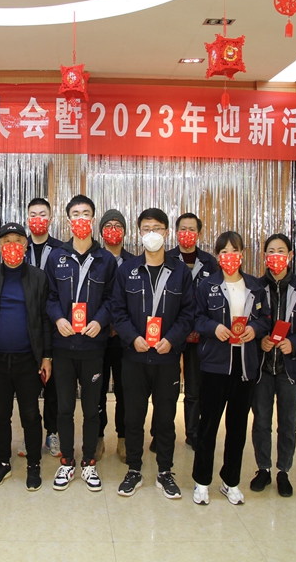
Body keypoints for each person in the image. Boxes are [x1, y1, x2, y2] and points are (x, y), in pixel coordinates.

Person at [112, 208, 196, 499]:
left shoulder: (180, 272)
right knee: (133, 417)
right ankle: (134, 470)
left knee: (165, 419)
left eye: (157, 228)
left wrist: (172, 340)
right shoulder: (127, 270)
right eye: (146, 228)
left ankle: (165, 472)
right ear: (139, 233)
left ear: (166, 232)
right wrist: (132, 337)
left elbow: (188, 313)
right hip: (134, 357)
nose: (152, 234)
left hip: (166, 358)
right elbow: (117, 311)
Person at [192, 231, 270, 506]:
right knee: (208, 425)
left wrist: (254, 329)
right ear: (217, 256)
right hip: (215, 365)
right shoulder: (207, 285)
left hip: (245, 366)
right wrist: (214, 328)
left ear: (242, 254)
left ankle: (230, 481)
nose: (229, 256)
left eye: (234, 251)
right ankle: (202, 481)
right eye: (224, 252)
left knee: (237, 427)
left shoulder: (255, 287)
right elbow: (197, 319)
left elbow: (265, 319)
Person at [45, 194, 117, 492]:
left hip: (92, 346)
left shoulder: (106, 260)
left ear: (93, 219)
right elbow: (49, 297)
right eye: (75, 214)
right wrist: (58, 318)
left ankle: (88, 461)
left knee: (91, 409)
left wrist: (100, 320)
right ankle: (66, 461)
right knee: (64, 409)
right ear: (68, 220)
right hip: (63, 346)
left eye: (86, 213)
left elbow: (113, 299)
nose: (81, 219)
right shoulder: (56, 257)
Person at [0, 223, 53, 490]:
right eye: (7, 240)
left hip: (28, 360)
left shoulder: (38, 277)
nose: (12, 245)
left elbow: (44, 319)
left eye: (18, 240)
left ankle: (34, 464)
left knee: (30, 414)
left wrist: (47, 356)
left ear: (26, 245)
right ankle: (2, 463)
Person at [249, 234, 296, 497]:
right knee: (261, 422)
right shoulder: (255, 288)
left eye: (281, 251)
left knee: (288, 423)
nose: (276, 256)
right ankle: (264, 468)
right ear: (265, 257)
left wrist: (295, 343)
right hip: (262, 368)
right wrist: (259, 339)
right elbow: (246, 323)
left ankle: (283, 471)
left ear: (290, 255)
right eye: (271, 251)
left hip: (291, 368)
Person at [166, 212, 218, 450]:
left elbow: (213, 300)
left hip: (199, 336)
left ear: (199, 233)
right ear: (176, 232)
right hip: (172, 333)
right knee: (166, 387)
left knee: (194, 389)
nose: (187, 233)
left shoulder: (209, 262)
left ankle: (193, 433)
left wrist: (199, 326)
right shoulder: (167, 258)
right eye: (183, 229)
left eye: (192, 229)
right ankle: (161, 433)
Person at [23, 197, 64, 458]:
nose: (38, 219)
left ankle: (52, 432)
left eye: (42, 214)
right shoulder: (20, 247)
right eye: (33, 214)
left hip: (53, 323)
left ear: (50, 218)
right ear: (27, 218)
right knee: (28, 385)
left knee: (53, 384)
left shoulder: (61, 249)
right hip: (26, 324)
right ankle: (30, 435)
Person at [97, 209, 133, 463]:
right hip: (98, 335)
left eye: (118, 225)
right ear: (101, 231)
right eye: (108, 225)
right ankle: (97, 437)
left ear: (125, 232)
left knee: (124, 389)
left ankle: (123, 437)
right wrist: (104, 322)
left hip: (125, 338)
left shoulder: (134, 262)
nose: (113, 229)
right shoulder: (95, 259)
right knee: (97, 390)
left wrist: (120, 325)